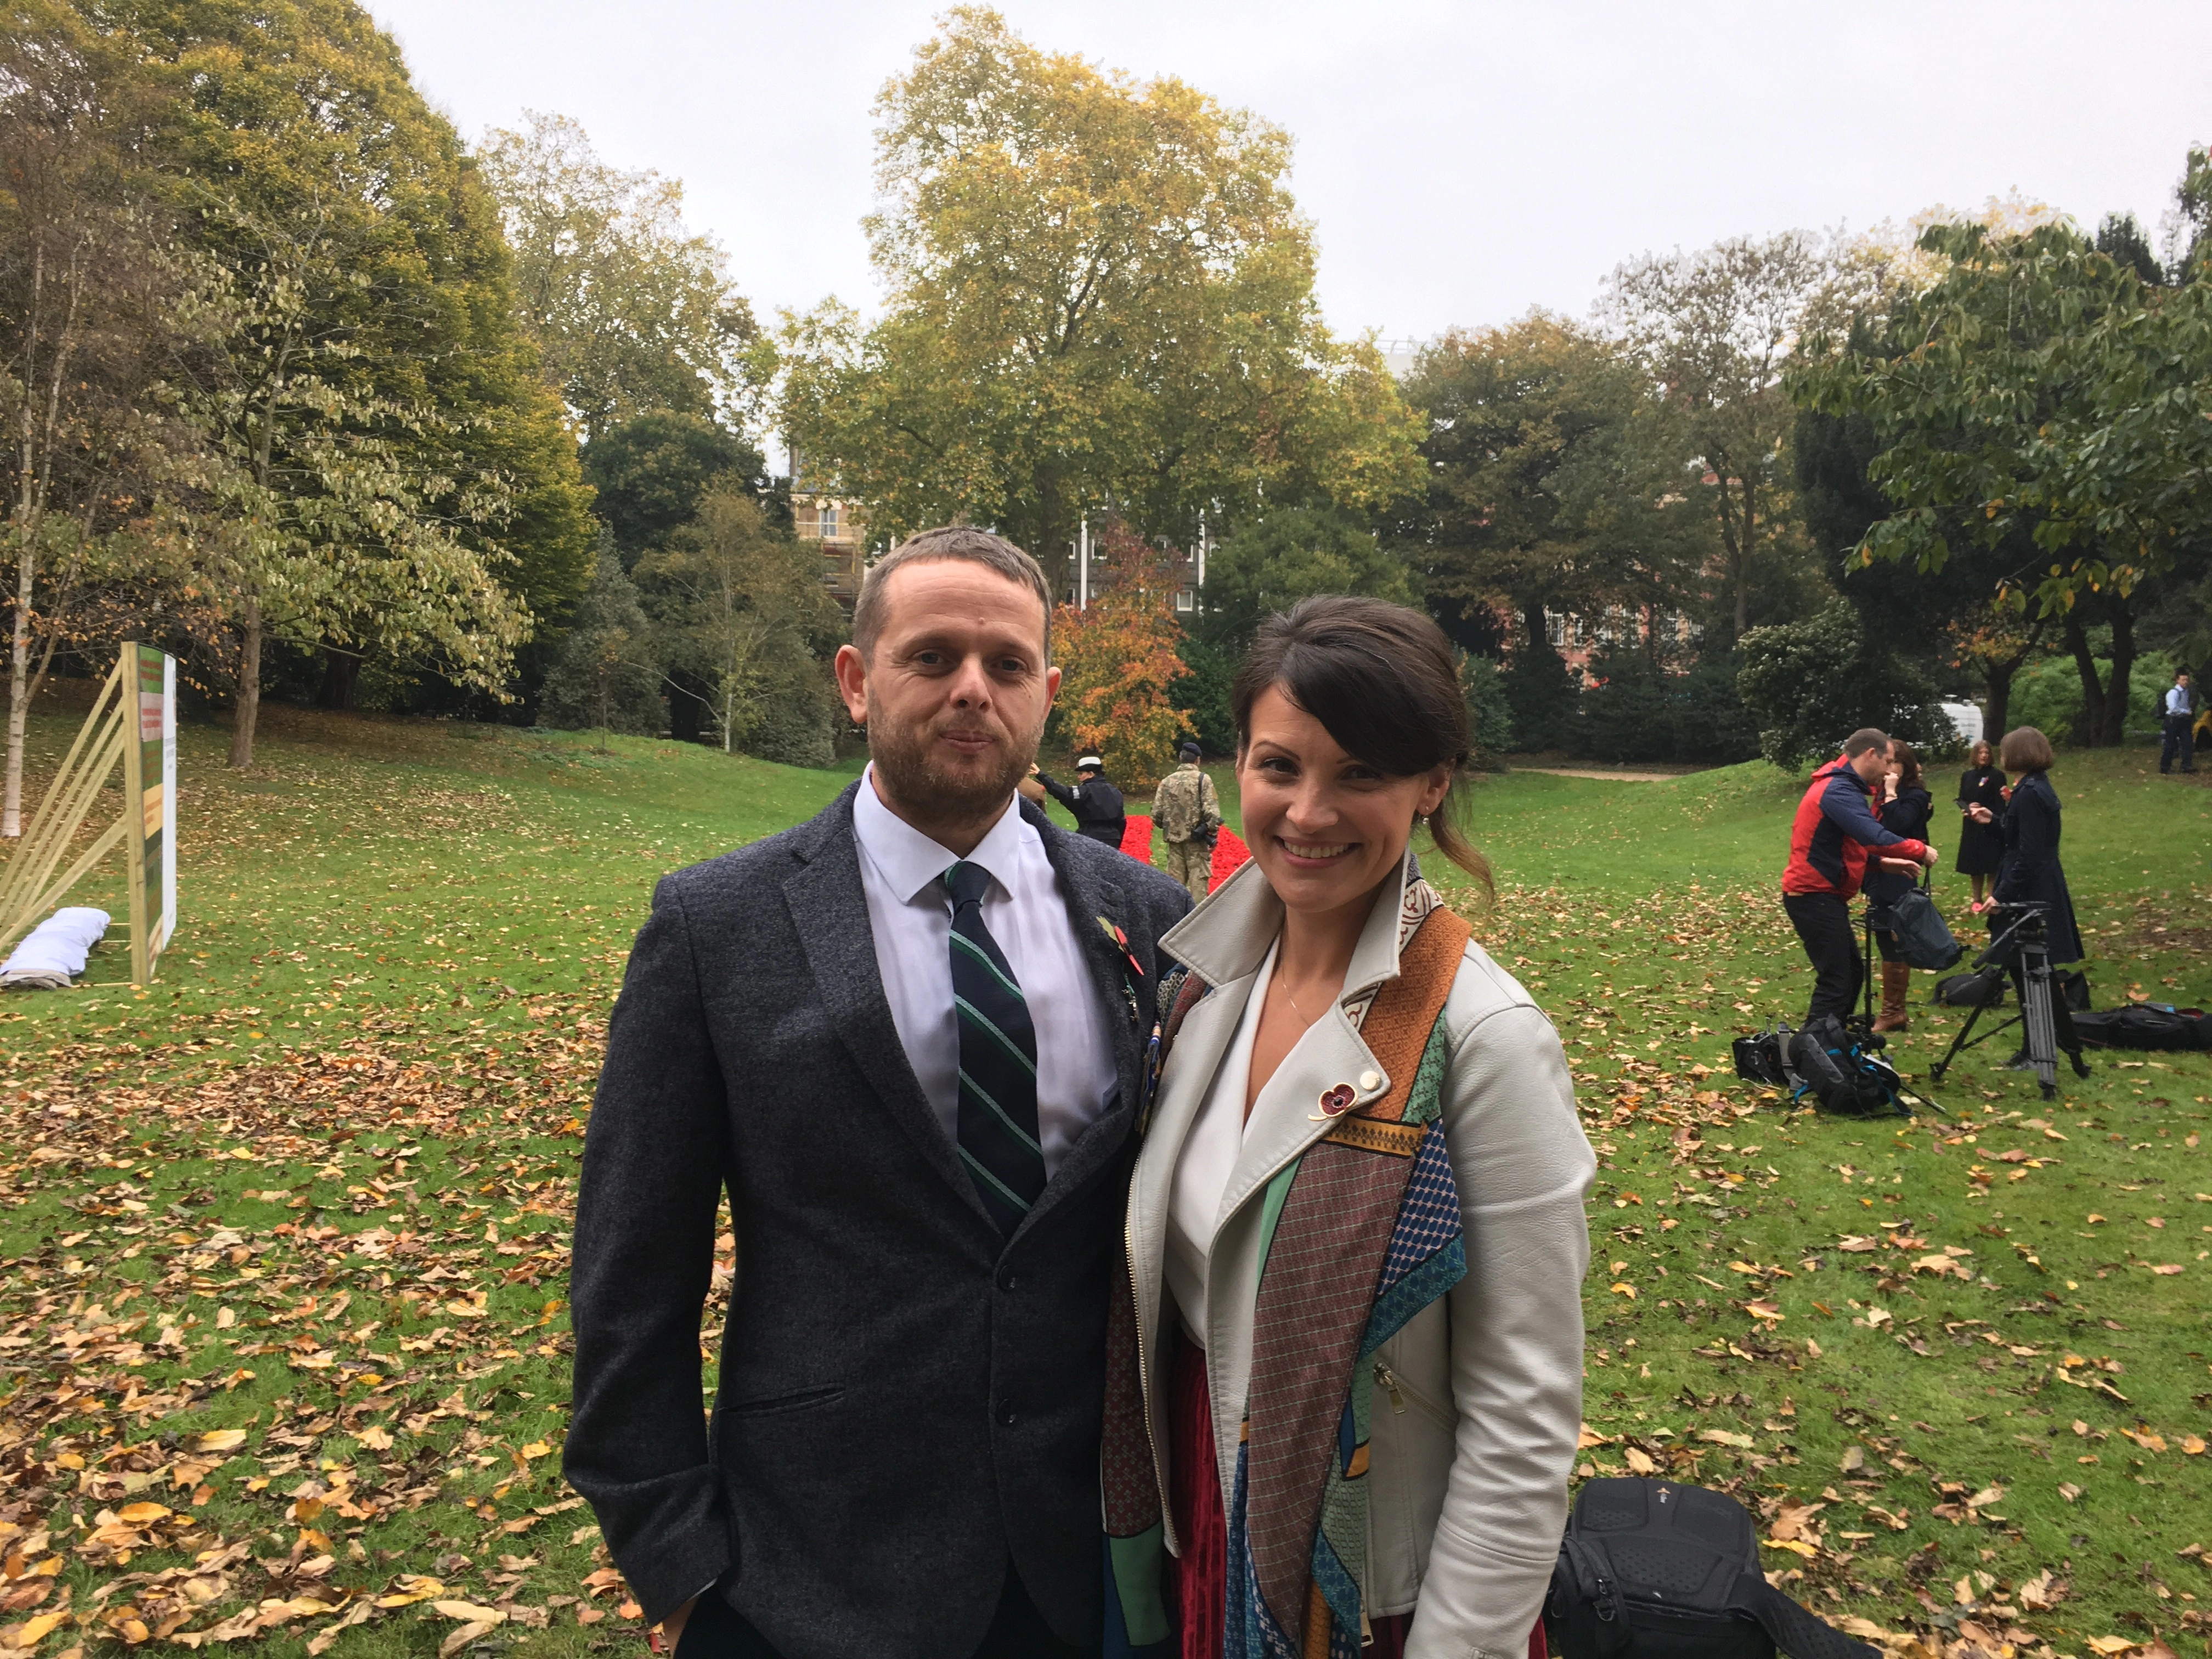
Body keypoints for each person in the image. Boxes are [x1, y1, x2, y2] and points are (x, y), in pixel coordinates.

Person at [565, 527, 1192, 1659]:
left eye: (1006, 666)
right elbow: (628, 1278)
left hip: (1089, 1573)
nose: (970, 690)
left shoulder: (1145, 918)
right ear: (858, 682)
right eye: (931, 657)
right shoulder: (717, 927)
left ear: (1046, 697)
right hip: (807, 1576)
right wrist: (675, 1568)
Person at [1101, 596, 1594, 1659]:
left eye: (1360, 774)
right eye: (1280, 766)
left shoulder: (1485, 1041)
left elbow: (1524, 1422)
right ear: (1239, 765)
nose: (1310, 812)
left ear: (1432, 783)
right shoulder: (1205, 994)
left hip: (1368, 1596)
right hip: (1211, 1533)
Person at [1780, 729, 1935, 1026]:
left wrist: (1880, 865)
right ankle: (1814, 1055)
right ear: (1870, 755)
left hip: (1823, 896)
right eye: (1888, 761)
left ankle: (1828, 1046)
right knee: (1838, 980)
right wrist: (1918, 849)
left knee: (1850, 974)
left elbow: (1844, 846)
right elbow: (1873, 834)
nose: (1891, 770)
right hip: (1812, 896)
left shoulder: (1844, 787)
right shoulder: (1837, 790)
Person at [1966, 725, 2087, 1070]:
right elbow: (2020, 837)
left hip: (2031, 889)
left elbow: (2029, 854)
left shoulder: (2032, 793)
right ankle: (2033, 1046)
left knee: (2031, 968)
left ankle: (2040, 1049)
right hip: (2031, 881)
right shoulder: (2031, 790)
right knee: (2023, 970)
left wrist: (2001, 895)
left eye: (2005, 750)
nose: (2001, 756)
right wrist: (1994, 820)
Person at [1864, 741, 1933, 1034]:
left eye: (1892, 762)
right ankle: (1891, 1009)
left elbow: (1899, 826)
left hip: (1901, 874)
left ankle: (1894, 1010)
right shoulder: (1879, 794)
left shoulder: (1915, 796)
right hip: (1880, 872)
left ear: (1903, 766)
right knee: (1882, 933)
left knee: (1894, 936)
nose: (1887, 768)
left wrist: (1891, 793)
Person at [1152, 741, 1223, 905]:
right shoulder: (1203, 780)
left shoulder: (1166, 782)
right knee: (1198, 888)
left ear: (1180, 758)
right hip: (1197, 844)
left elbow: (1156, 814)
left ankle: (1175, 924)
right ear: (1197, 760)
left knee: (1175, 889)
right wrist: (1211, 833)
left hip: (1175, 844)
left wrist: (1173, 826)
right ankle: (1197, 925)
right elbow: (1212, 813)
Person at [1027, 754, 1127, 848]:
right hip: (1113, 839)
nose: (1079, 777)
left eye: (1081, 774)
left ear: (1091, 774)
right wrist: (1117, 839)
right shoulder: (1116, 792)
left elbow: (1064, 793)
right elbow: (1122, 821)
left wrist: (1042, 776)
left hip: (1090, 837)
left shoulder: (1085, 791)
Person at [1953, 739, 2007, 908]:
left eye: (1987, 753)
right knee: (1974, 864)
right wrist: (1967, 808)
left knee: (1991, 863)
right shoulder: (1967, 776)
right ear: (1974, 755)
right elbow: (1962, 797)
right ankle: (1976, 899)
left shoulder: (1997, 776)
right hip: (1971, 824)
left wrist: (1984, 809)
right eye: (1980, 753)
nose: (1984, 756)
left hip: (1989, 823)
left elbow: (2000, 803)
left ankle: (1991, 897)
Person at [2160, 669, 2197, 775]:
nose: (2186, 682)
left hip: (2184, 720)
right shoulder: (2173, 693)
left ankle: (2187, 766)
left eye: (2187, 679)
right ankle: (2165, 767)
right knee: (2170, 744)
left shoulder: (2186, 692)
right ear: (2177, 680)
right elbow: (2173, 708)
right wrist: (2186, 711)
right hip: (2173, 719)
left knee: (2188, 743)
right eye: (2183, 679)